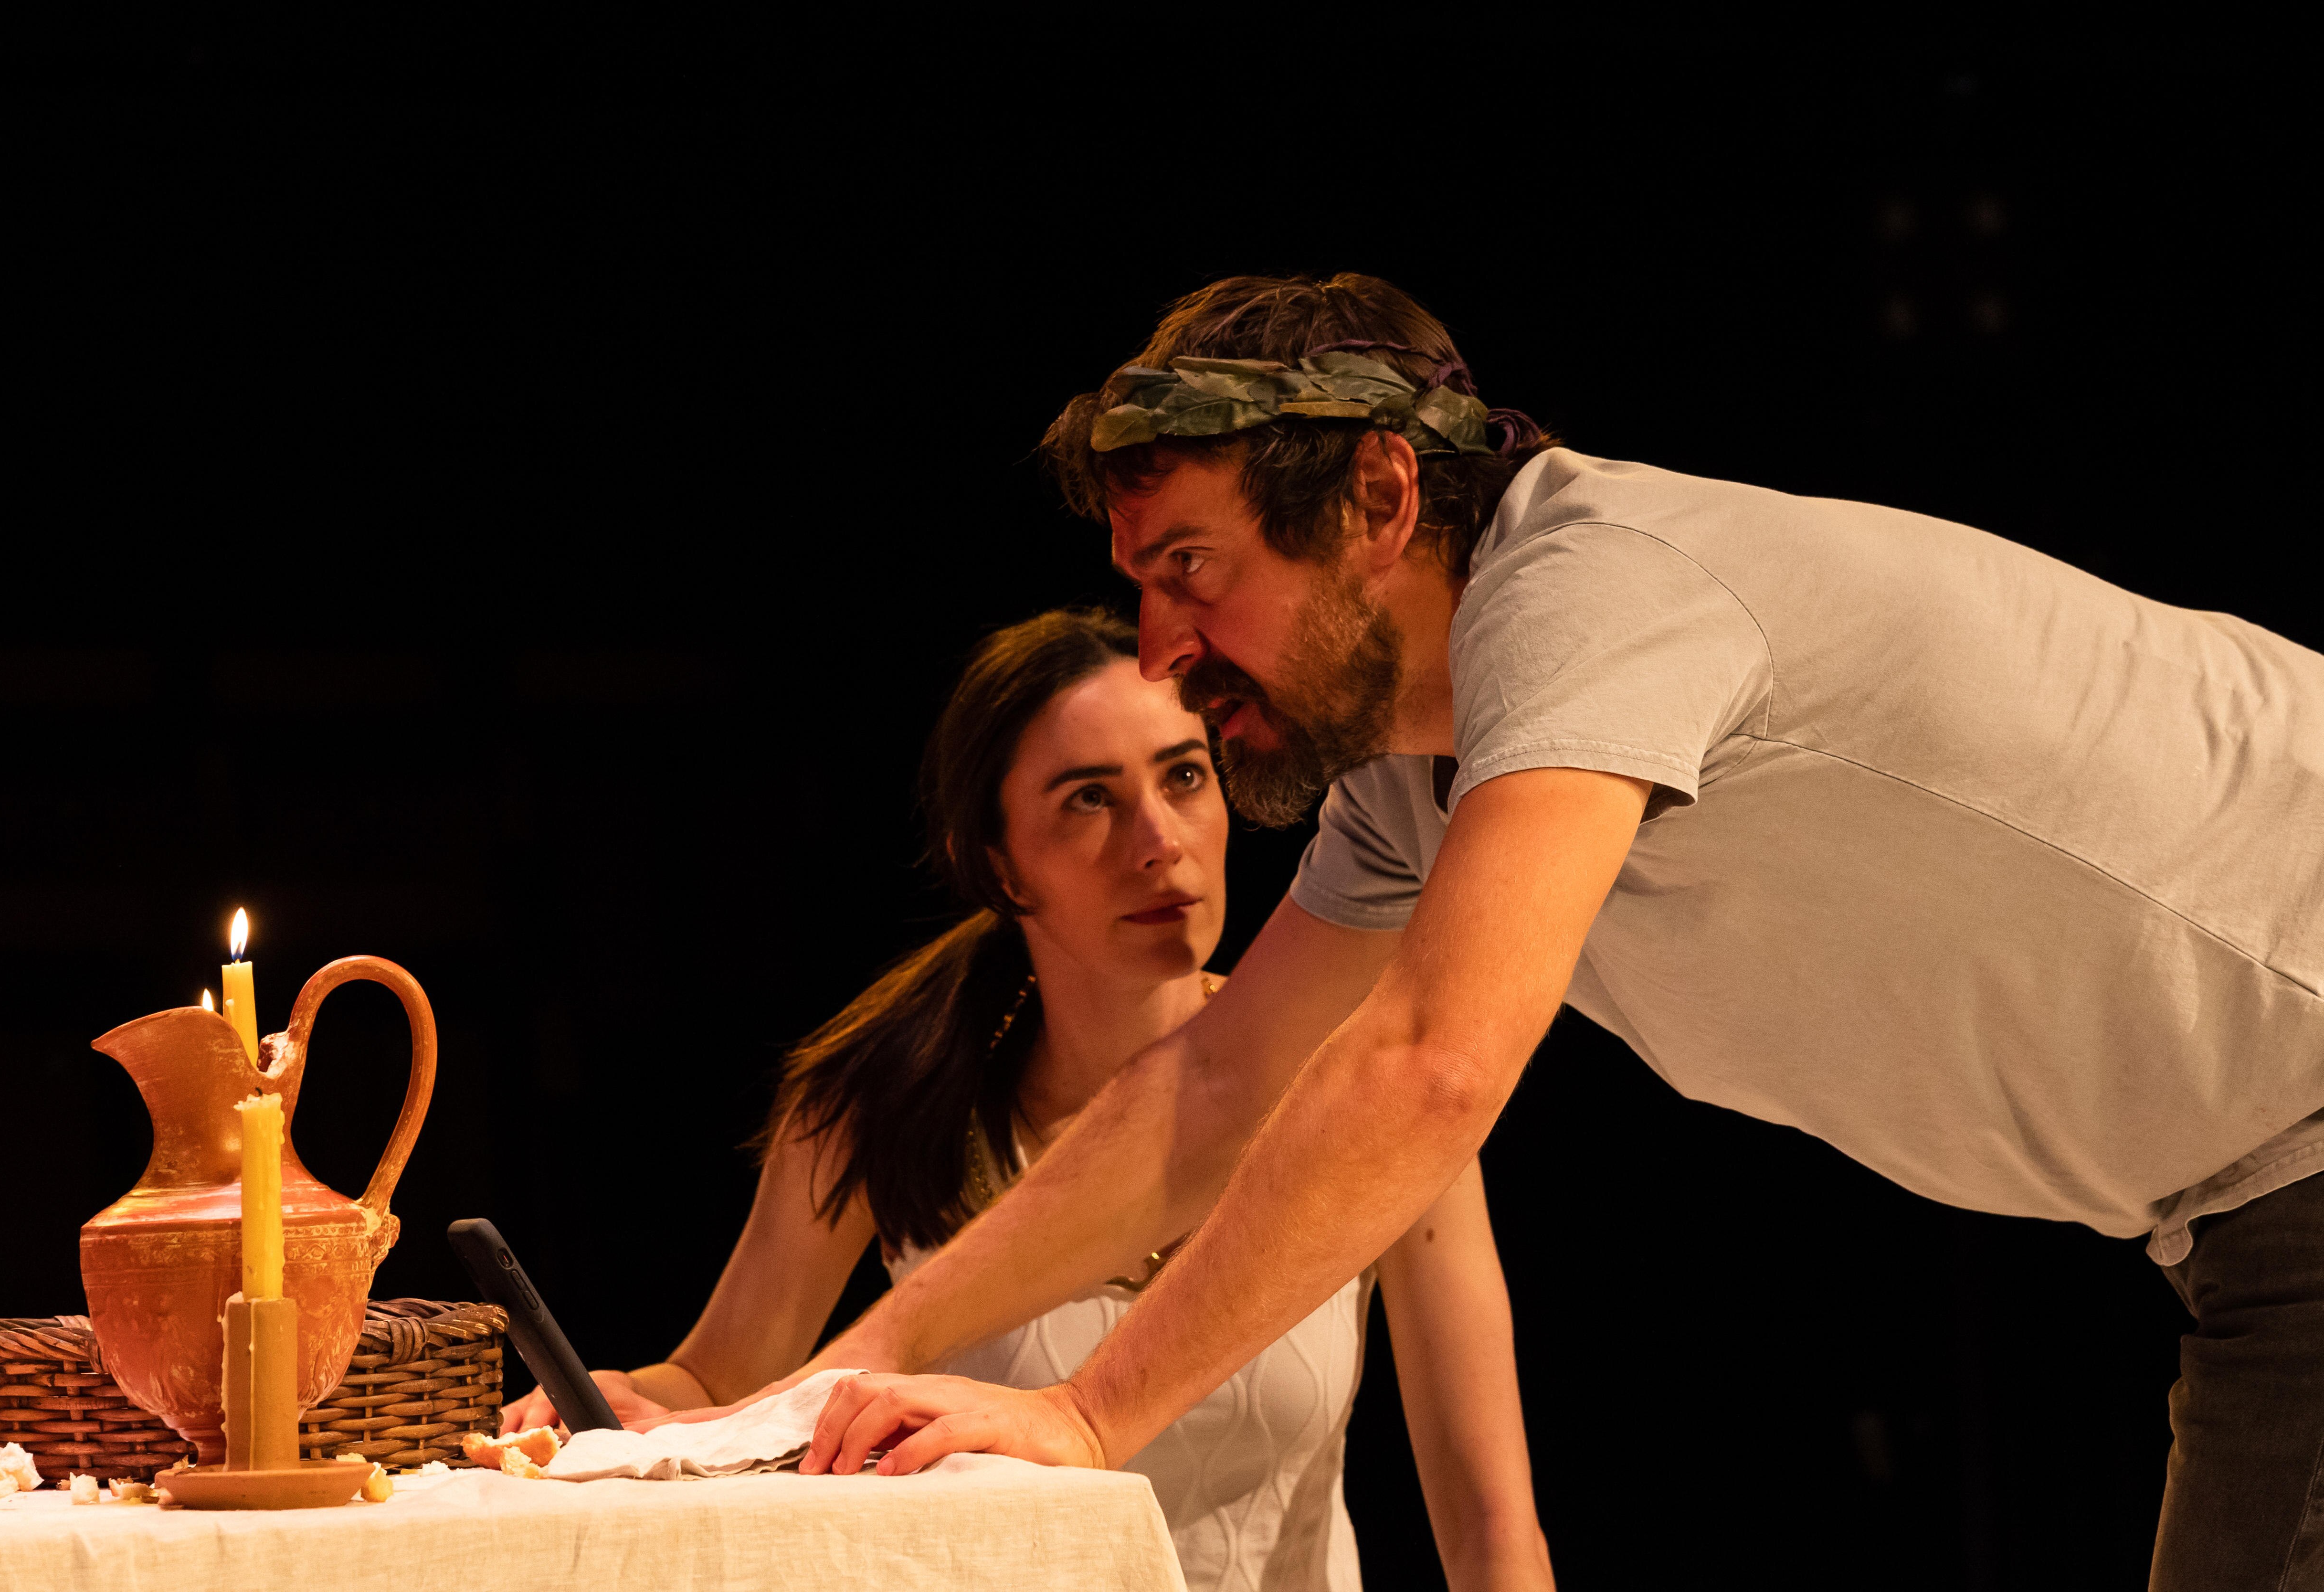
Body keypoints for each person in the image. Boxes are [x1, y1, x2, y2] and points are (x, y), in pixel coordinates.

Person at [774, 276, 2324, 1591]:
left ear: (1383, 494)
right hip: (2258, 1218)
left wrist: (1096, 1417)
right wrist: (843, 1366)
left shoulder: (1592, 591)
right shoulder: (1414, 786)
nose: (1167, 652)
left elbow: (1435, 1060)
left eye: (1193, 568)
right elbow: (1217, 1087)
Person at [502, 608, 1554, 1592]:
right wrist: (621, 1405)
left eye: (1185, 775)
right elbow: (723, 1376)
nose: (1158, 838)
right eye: (1089, 797)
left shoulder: (1361, 1089)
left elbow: (1488, 1521)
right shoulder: (882, 1102)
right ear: (995, 862)